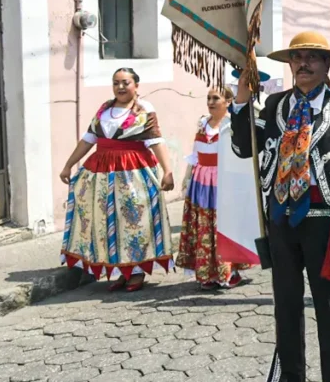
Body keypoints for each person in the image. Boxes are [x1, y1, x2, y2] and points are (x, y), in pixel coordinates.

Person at [229, 31, 330, 382]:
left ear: (327, 66)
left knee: (328, 305)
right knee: (285, 303)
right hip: (280, 220)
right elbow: (243, 147)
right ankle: (289, 379)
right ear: (290, 64)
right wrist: (242, 95)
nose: (303, 63)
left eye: (312, 57)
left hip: (325, 222)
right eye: (297, 57)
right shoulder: (274, 104)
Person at [59, 68, 175, 292]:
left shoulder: (144, 109)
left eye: (125, 82)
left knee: (134, 220)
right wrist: (68, 164)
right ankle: (121, 270)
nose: (120, 87)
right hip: (102, 173)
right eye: (116, 83)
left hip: (133, 172)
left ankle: (137, 271)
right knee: (107, 221)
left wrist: (167, 170)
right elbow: (88, 139)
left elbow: (156, 141)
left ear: (136, 85)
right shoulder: (104, 109)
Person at [177, 86, 248, 290]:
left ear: (227, 101)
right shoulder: (203, 124)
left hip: (224, 180)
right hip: (202, 181)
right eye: (208, 98)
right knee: (204, 226)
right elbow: (195, 153)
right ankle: (207, 271)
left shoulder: (231, 125)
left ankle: (229, 271)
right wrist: (187, 178)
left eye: (215, 98)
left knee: (224, 226)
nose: (210, 102)